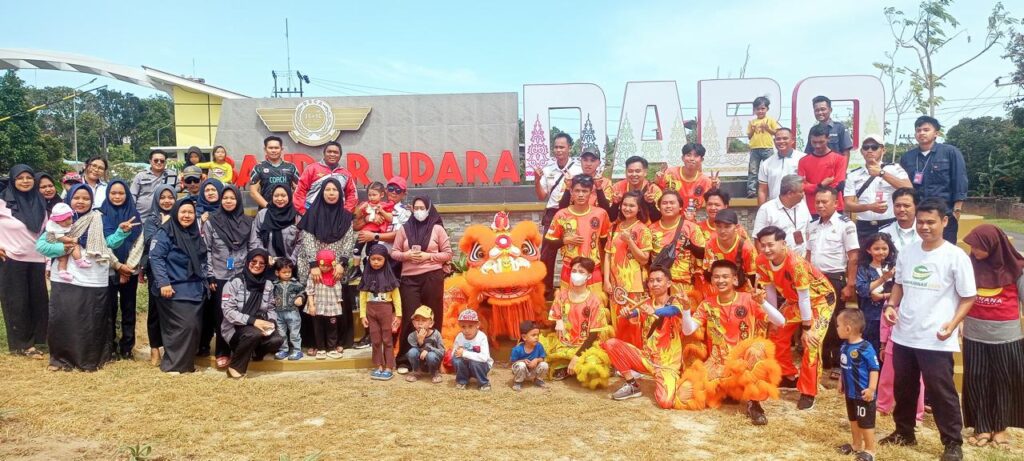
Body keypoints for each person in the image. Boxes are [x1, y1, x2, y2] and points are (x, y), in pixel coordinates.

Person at [879, 199, 976, 461]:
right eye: (920, 222)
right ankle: (904, 432)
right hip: (904, 333)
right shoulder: (909, 252)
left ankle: (952, 443)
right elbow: (899, 284)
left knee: (941, 392)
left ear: (945, 222)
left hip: (936, 337)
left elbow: (968, 297)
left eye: (931, 222)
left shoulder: (956, 256)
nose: (924, 227)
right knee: (904, 387)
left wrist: (953, 324)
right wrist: (891, 305)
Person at [36, 184, 135, 371]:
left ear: (92, 201)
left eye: (86, 198)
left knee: (91, 320)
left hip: (93, 276)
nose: (81, 202)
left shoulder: (99, 219)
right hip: (65, 277)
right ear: (70, 199)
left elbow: (109, 244)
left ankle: (90, 360)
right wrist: (62, 248)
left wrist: (122, 231)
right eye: (77, 198)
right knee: (65, 318)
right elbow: (41, 246)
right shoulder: (58, 220)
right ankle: (61, 359)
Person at [690, 260, 786, 424]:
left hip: (744, 361)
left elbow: (780, 321)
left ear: (734, 279)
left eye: (725, 277)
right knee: (689, 392)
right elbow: (689, 329)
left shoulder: (749, 299)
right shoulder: (707, 304)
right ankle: (730, 392)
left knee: (756, 350)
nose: (720, 281)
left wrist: (762, 302)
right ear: (712, 280)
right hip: (719, 361)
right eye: (716, 277)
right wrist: (685, 310)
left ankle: (754, 403)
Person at [755, 226, 836, 410]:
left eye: (771, 245)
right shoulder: (761, 260)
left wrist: (807, 329)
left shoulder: (796, 263)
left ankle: (809, 391)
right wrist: (773, 318)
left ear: (783, 244)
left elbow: (805, 297)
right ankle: (787, 375)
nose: (766, 249)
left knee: (811, 343)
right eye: (763, 245)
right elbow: (770, 292)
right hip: (793, 301)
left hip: (819, 301)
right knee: (776, 333)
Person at [961, 225, 1024, 449]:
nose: (974, 251)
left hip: (1006, 337)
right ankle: (982, 427)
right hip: (974, 335)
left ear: (993, 245)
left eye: (978, 247)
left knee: (1004, 382)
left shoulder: (1017, 268)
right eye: (972, 247)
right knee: (977, 380)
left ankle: (1000, 429)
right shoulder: (969, 266)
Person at [601, 266, 686, 407]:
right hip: (646, 359)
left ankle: (672, 382)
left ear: (669, 283)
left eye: (659, 280)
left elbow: (672, 311)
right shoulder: (645, 303)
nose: (654, 284)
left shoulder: (677, 302)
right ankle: (632, 384)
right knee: (610, 343)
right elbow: (634, 314)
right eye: (651, 281)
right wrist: (627, 313)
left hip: (666, 365)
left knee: (665, 402)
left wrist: (655, 310)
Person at [868, 233, 927, 425]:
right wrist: (883, 346)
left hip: (917, 343)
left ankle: (917, 415)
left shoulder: (919, 304)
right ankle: (883, 406)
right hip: (894, 344)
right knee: (886, 377)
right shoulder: (892, 305)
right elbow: (885, 326)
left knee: (917, 381)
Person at [295, 178, 357, 356]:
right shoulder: (311, 215)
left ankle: (339, 342)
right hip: (313, 267)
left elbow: (348, 241)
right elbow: (307, 241)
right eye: (327, 190)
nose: (331, 193)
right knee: (312, 303)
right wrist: (314, 265)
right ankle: (313, 342)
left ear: (340, 194)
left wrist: (342, 264)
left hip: (337, 268)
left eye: (335, 190)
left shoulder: (346, 217)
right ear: (321, 192)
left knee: (337, 304)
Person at [149, 198, 211, 374]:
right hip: (173, 288)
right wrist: (164, 282)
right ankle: (173, 366)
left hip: (194, 289)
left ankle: (186, 366)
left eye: (190, 212)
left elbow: (202, 260)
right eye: (183, 212)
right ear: (175, 213)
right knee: (183, 327)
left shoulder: (194, 233)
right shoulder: (165, 232)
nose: (187, 215)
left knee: (193, 328)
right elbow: (156, 257)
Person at [392, 196, 452, 372]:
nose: (418, 211)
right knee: (411, 316)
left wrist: (429, 256)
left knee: (433, 317)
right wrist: (407, 255)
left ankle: (432, 358)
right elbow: (395, 252)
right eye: (415, 208)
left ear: (429, 209)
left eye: (422, 207)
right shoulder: (405, 229)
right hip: (409, 279)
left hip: (432, 277)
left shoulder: (437, 229)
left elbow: (448, 254)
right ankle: (405, 359)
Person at [806, 186, 859, 375]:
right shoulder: (812, 225)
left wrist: (850, 284)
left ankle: (837, 362)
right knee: (817, 320)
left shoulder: (846, 225)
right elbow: (808, 255)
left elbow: (853, 257)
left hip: (834, 278)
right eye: (817, 202)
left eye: (824, 202)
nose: (820, 205)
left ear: (836, 203)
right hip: (814, 280)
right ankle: (822, 360)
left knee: (836, 319)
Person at [0, 165, 50, 359]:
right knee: (17, 302)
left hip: (36, 258)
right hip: (11, 259)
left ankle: (38, 340)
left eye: (29, 177)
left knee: (38, 301)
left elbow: (45, 232)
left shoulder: (39, 201)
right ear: (13, 180)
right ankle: (21, 345)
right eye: (20, 178)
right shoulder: (3, 202)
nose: (25, 181)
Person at [202, 184, 252, 367]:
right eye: (225, 198)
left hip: (241, 277)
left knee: (241, 312)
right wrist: (210, 276)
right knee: (221, 315)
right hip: (220, 275)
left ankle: (240, 349)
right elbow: (206, 249)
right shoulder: (212, 222)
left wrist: (251, 273)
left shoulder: (248, 222)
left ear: (238, 200)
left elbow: (253, 248)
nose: (228, 201)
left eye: (232, 198)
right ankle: (222, 350)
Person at [897, 116, 968, 244]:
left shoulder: (950, 152)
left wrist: (957, 209)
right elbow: (903, 187)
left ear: (936, 133)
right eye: (918, 130)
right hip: (917, 215)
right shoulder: (907, 157)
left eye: (926, 130)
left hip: (943, 212)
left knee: (945, 251)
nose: (922, 133)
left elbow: (959, 180)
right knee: (918, 249)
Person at [542, 257, 611, 380]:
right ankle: (565, 366)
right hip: (563, 345)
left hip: (585, 346)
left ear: (589, 276)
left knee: (593, 371)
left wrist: (577, 356)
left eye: (581, 272)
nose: (576, 275)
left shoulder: (594, 301)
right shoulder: (562, 296)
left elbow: (594, 334)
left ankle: (571, 365)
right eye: (574, 271)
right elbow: (554, 321)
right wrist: (558, 321)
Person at [99, 180, 146, 360]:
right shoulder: (100, 216)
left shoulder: (135, 215)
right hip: (108, 269)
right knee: (109, 308)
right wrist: (118, 266)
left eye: (121, 193)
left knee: (128, 308)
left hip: (130, 270)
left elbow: (139, 243)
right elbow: (102, 244)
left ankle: (127, 347)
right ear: (108, 194)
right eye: (113, 193)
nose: (117, 196)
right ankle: (109, 346)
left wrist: (128, 268)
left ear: (127, 194)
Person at [220, 248, 283, 379]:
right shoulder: (234, 282)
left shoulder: (268, 284)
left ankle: (254, 353)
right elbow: (228, 311)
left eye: (262, 263)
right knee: (253, 334)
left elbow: (271, 308)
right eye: (254, 261)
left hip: (259, 325)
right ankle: (234, 368)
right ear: (248, 261)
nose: (257, 265)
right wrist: (253, 321)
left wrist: (271, 323)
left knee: (277, 340)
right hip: (235, 329)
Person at [545, 175, 611, 293]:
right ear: (571, 191)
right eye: (577, 190)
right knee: (569, 307)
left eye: (585, 191)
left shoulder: (601, 214)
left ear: (591, 192)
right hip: (570, 269)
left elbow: (606, 244)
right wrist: (565, 241)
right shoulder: (561, 215)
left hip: (593, 268)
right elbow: (550, 243)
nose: (581, 194)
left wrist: (605, 272)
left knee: (595, 305)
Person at [537, 133, 583, 300]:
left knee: (575, 250)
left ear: (569, 148)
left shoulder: (578, 169)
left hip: (572, 213)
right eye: (556, 147)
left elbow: (584, 192)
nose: (558, 150)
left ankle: (577, 288)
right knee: (547, 253)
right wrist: (536, 179)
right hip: (552, 214)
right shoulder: (548, 169)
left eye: (562, 147)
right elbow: (542, 195)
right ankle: (546, 292)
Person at [605, 191, 652, 347]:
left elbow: (644, 258)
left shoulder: (642, 229)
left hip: (635, 285)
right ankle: (619, 357)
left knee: (634, 321)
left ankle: (635, 357)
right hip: (616, 285)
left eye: (632, 205)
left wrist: (630, 242)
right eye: (625, 204)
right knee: (617, 320)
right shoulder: (614, 228)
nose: (627, 208)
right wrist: (606, 280)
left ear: (639, 208)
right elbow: (607, 255)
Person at [843, 134, 912, 240]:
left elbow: (909, 189)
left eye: (874, 147)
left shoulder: (894, 168)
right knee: (865, 256)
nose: (870, 150)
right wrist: (869, 207)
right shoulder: (854, 174)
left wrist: (881, 173)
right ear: (862, 151)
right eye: (866, 147)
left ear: (883, 150)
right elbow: (848, 205)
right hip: (864, 226)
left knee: (893, 256)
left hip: (889, 223)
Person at [836, 308, 880, 461]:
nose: (836, 328)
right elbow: (843, 366)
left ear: (848, 329)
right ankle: (856, 445)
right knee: (853, 420)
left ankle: (870, 450)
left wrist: (871, 389)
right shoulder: (844, 346)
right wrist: (841, 382)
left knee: (865, 423)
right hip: (850, 394)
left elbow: (874, 369)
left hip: (863, 395)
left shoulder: (866, 348)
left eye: (838, 325)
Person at [141, 184, 177, 366]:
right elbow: (149, 242)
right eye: (162, 197)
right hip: (156, 270)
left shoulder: (180, 216)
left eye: (170, 197)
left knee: (172, 310)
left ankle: (171, 348)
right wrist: (164, 226)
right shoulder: (152, 219)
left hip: (176, 271)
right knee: (155, 310)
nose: (167, 200)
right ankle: (155, 349)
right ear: (156, 199)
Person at [648, 191, 705, 299]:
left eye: (672, 203)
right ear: (659, 207)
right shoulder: (651, 229)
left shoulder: (691, 228)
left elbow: (703, 254)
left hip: (683, 284)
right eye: (664, 203)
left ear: (680, 207)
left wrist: (690, 246)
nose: (668, 206)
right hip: (658, 286)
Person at [358, 244, 402, 380]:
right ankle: (378, 366)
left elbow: (396, 297)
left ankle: (389, 366)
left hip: (385, 310)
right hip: (371, 311)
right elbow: (363, 297)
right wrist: (362, 315)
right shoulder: (366, 276)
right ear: (369, 259)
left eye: (379, 259)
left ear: (385, 260)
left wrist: (399, 315)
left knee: (387, 339)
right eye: (373, 259)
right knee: (376, 340)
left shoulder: (390, 277)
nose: (376, 262)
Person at [855, 233, 898, 353]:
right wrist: (884, 278)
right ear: (869, 250)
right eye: (876, 248)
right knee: (872, 349)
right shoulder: (864, 268)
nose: (881, 252)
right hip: (871, 317)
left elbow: (903, 290)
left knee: (890, 350)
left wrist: (883, 296)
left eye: (884, 248)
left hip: (892, 316)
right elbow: (862, 290)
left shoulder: (895, 267)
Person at [752, 174, 812, 255]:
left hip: (801, 262)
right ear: (790, 193)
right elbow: (757, 239)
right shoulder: (766, 209)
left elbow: (809, 232)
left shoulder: (802, 205)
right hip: (778, 263)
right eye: (801, 191)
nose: (803, 194)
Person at [701, 209, 758, 295]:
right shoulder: (710, 245)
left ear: (737, 227)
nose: (722, 230)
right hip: (719, 289)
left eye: (727, 226)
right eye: (718, 226)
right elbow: (708, 273)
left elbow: (753, 277)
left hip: (742, 291)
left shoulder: (747, 248)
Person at [293, 141, 357, 214]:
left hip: (336, 214)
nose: (332, 154)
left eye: (336, 152)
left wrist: (346, 213)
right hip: (312, 212)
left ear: (340, 155)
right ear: (324, 153)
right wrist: (303, 211)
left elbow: (352, 195)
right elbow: (300, 191)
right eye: (329, 152)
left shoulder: (346, 174)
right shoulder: (312, 169)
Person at [798, 124, 848, 216]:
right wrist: (821, 185)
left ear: (828, 139)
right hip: (812, 209)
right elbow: (802, 186)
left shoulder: (840, 159)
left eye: (821, 142)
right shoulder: (803, 161)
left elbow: (839, 184)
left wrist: (813, 187)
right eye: (814, 142)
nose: (817, 145)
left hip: (834, 208)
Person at [656, 143, 720, 209]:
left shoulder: (706, 181)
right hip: (670, 216)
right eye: (688, 155)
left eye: (696, 156)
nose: (692, 159)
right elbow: (657, 191)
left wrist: (715, 188)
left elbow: (712, 202)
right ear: (683, 158)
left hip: (691, 217)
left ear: (701, 160)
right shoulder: (670, 173)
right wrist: (657, 180)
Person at [307, 249, 345, 360]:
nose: (325, 268)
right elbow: (310, 290)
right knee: (318, 328)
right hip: (317, 306)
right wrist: (311, 305)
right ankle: (321, 349)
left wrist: (339, 304)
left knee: (332, 328)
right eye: (323, 265)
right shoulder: (313, 275)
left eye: (328, 266)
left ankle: (331, 349)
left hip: (332, 306)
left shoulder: (336, 274)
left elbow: (339, 289)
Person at [250, 184, 301, 263]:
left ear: (289, 196)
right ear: (272, 197)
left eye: (283, 195)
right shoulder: (262, 215)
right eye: (276, 196)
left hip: (290, 266)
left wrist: (290, 261)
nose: (279, 199)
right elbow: (255, 238)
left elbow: (301, 241)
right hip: (266, 263)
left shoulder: (296, 216)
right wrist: (263, 257)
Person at [556, 148, 613, 215]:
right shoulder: (571, 180)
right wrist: (568, 187)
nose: (588, 164)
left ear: (599, 163)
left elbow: (606, 209)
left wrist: (599, 188)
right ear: (581, 161)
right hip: (574, 220)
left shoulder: (605, 182)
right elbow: (562, 207)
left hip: (597, 220)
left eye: (592, 160)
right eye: (585, 160)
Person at [248, 136, 299, 209]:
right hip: (266, 210)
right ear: (265, 149)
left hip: (287, 211)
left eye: (276, 148)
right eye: (270, 148)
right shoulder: (258, 168)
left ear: (281, 149)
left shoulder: (291, 167)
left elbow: (298, 189)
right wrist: (268, 206)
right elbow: (253, 192)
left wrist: (289, 204)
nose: (273, 150)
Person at [758, 128, 805, 205]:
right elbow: (762, 190)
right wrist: (761, 211)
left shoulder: (803, 159)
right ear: (774, 141)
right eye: (778, 139)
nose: (781, 141)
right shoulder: (766, 163)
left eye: (785, 138)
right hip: (775, 208)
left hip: (799, 207)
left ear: (792, 140)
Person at [271, 258, 305, 361]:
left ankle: (297, 350)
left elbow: (303, 291)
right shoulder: (274, 285)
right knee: (281, 333)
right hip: (278, 313)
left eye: (289, 272)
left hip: (293, 312)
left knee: (294, 333)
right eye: (284, 272)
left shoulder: (295, 283)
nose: (287, 274)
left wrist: (300, 297)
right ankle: (284, 350)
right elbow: (269, 295)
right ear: (277, 272)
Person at [746, 97, 781, 198]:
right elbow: (749, 136)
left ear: (767, 109)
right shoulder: (752, 122)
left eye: (762, 108)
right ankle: (751, 191)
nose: (760, 111)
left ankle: (771, 189)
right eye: (757, 109)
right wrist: (752, 130)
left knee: (770, 169)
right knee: (753, 170)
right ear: (754, 110)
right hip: (754, 149)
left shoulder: (770, 120)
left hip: (767, 148)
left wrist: (768, 129)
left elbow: (777, 133)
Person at [130, 149, 179, 221]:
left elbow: (178, 186)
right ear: (150, 161)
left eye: (162, 161)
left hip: (164, 216)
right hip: (143, 217)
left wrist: (177, 189)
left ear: (165, 162)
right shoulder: (141, 176)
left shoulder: (171, 174)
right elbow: (133, 195)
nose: (159, 162)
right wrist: (131, 211)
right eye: (156, 160)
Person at [611, 156, 662, 222]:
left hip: (647, 229)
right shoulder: (617, 187)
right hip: (622, 228)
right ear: (626, 172)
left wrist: (650, 203)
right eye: (630, 171)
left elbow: (659, 218)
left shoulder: (654, 190)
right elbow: (610, 216)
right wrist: (616, 204)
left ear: (645, 172)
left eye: (638, 171)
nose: (634, 174)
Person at [46, 202, 89, 282]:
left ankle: (63, 271)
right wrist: (71, 240)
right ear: (57, 221)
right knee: (71, 250)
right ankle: (78, 261)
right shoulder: (55, 228)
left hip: (60, 246)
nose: (67, 222)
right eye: (63, 220)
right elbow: (61, 237)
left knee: (64, 258)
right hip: (57, 246)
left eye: (69, 218)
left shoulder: (65, 225)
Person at [452, 308, 492, 391]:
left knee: (475, 362)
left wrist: (464, 353)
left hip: (481, 365)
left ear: (478, 325)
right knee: (456, 360)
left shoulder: (482, 337)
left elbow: (484, 358)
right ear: (459, 325)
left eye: (470, 326)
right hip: (466, 365)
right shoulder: (459, 337)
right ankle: (462, 381)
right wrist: (457, 352)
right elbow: (454, 353)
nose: (466, 330)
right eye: (463, 326)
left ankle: (484, 383)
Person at [353, 181, 394, 259]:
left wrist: (382, 211)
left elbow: (390, 218)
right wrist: (361, 208)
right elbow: (356, 216)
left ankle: (368, 263)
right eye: (369, 195)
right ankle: (356, 266)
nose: (371, 197)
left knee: (370, 251)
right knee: (357, 248)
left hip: (376, 232)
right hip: (365, 230)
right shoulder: (365, 204)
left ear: (381, 195)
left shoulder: (384, 205)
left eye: (374, 195)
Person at [405, 306, 445, 384]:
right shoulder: (412, 336)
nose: (420, 323)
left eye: (424, 320)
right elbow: (415, 353)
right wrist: (420, 342)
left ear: (431, 324)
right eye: (417, 320)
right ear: (413, 323)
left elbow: (442, 352)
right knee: (411, 352)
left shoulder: (436, 334)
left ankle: (434, 373)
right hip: (421, 361)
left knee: (431, 355)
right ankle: (416, 371)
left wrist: (428, 349)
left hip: (433, 359)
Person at [510, 320, 549, 391]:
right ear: (524, 337)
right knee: (521, 365)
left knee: (544, 364)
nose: (537, 337)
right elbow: (513, 362)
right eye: (533, 335)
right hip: (522, 371)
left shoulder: (539, 346)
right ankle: (518, 382)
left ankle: (538, 380)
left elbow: (542, 358)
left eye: (538, 335)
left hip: (533, 371)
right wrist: (523, 361)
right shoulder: (517, 349)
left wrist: (537, 360)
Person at [879, 188, 920, 252]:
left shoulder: (926, 230)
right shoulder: (884, 232)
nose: (902, 209)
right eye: (897, 206)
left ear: (916, 207)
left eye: (906, 206)